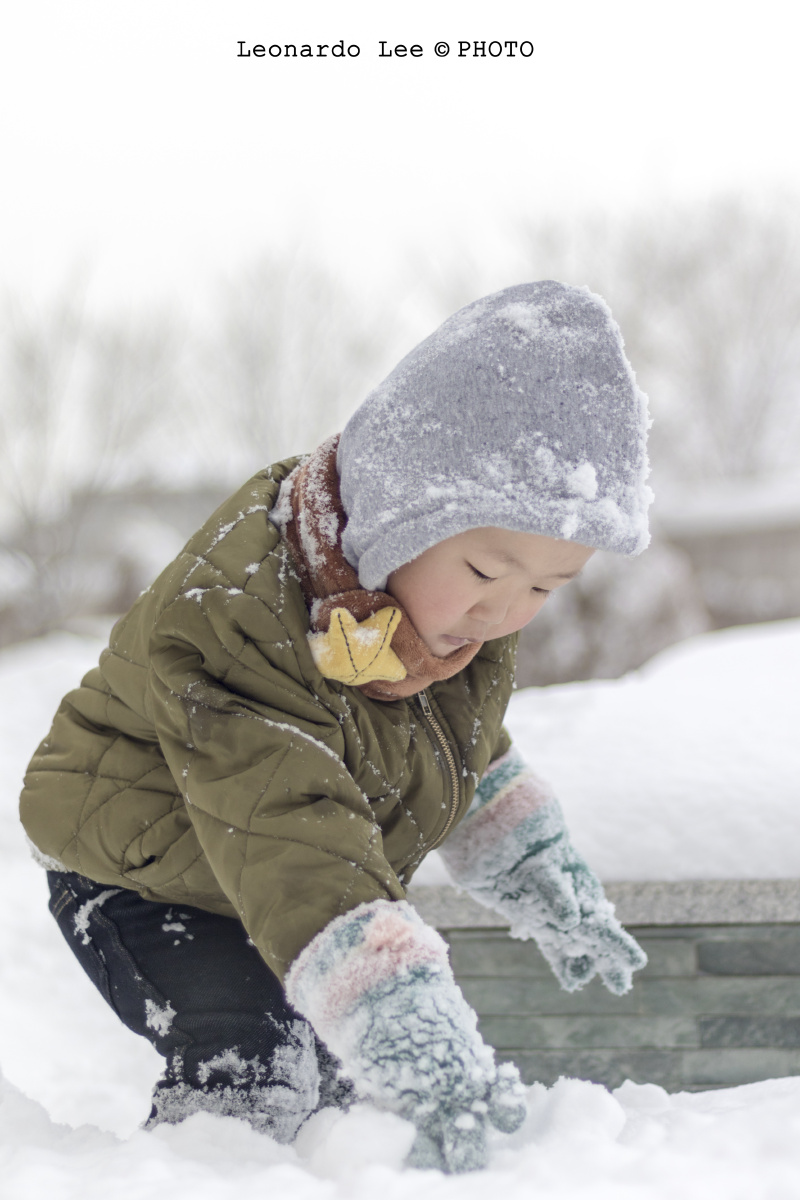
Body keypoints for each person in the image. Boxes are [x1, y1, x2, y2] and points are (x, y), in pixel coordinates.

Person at [20, 280, 652, 1172]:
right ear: (402, 513)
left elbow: (454, 750)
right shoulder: (237, 616)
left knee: (340, 1085)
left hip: (284, 871)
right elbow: (291, 824)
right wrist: (399, 1010)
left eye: (546, 588)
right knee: (255, 1065)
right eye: (485, 567)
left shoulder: (440, 619)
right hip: (146, 869)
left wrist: (532, 860)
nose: (506, 610)